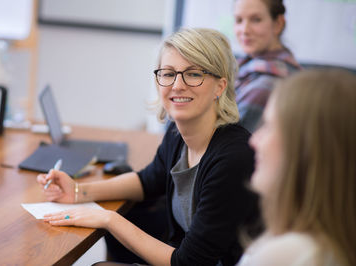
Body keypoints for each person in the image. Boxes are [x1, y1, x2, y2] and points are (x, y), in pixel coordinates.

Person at [37, 28, 259, 266]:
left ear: (219, 86)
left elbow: (188, 263)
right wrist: (79, 191)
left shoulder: (233, 158)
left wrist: (109, 219)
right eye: (168, 73)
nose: (177, 85)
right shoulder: (177, 134)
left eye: (194, 74)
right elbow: (148, 180)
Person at [237, 68, 356, 266]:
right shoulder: (328, 244)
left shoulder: (290, 254)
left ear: (306, 150)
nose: (254, 140)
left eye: (268, 125)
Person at [234, 0, 301, 132]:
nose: (244, 30)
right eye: (239, 20)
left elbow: (232, 144)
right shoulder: (244, 65)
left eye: (256, 20)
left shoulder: (266, 85)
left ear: (278, 24)